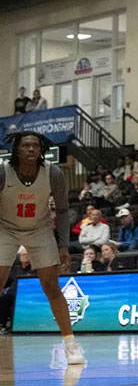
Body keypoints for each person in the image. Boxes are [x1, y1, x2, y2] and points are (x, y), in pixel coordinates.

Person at [0, 131, 81, 363]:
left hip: (40, 228)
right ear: (17, 149)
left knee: (51, 285)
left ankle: (70, 343)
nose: (31, 149)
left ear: (41, 149)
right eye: (26, 145)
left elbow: (63, 210)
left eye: (35, 145)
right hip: (5, 227)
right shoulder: (2, 172)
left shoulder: (53, 173)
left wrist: (63, 245)